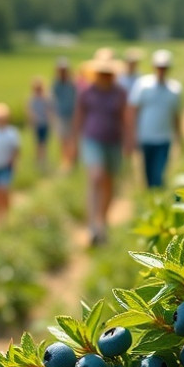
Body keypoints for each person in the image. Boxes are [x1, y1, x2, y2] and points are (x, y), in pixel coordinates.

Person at [73, 56, 128, 246]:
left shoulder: (119, 93)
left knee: (108, 183)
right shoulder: (86, 92)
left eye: (108, 73)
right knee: (95, 177)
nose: (104, 76)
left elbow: (125, 117)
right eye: (101, 73)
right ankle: (93, 225)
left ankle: (102, 221)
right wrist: (74, 142)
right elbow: (79, 116)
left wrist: (129, 141)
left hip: (114, 142)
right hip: (92, 140)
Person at [126, 49, 183, 189]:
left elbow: (176, 116)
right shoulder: (143, 85)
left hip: (164, 139)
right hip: (145, 138)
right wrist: (131, 135)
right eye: (159, 67)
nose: (161, 70)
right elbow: (133, 111)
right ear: (154, 67)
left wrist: (180, 139)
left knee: (158, 174)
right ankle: (151, 201)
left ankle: (157, 199)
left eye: (164, 67)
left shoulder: (175, 89)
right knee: (148, 175)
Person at [52, 58, 78, 171]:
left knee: (72, 138)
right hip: (61, 115)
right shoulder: (56, 84)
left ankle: (71, 161)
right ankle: (65, 161)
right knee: (63, 139)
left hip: (72, 114)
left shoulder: (72, 83)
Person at [28, 77, 53, 173]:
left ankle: (43, 160)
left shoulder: (46, 98)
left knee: (44, 142)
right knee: (38, 143)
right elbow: (29, 111)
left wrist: (50, 119)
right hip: (37, 124)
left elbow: (50, 110)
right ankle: (39, 160)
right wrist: (31, 121)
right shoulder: (32, 99)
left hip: (44, 123)